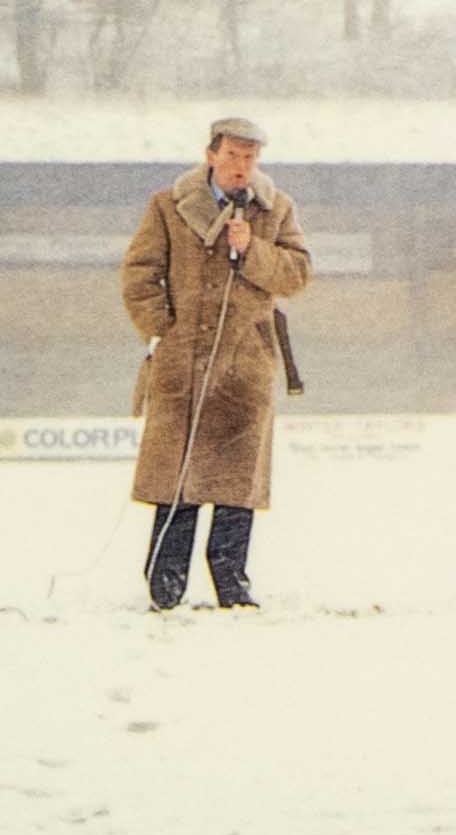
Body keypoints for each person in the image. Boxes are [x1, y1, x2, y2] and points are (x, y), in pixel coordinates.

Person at [120, 117, 312, 611]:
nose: (241, 167)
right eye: (232, 155)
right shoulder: (167, 205)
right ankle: (165, 587)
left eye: (250, 158)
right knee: (176, 480)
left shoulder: (277, 209)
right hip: (181, 362)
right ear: (211, 155)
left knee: (236, 485)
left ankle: (232, 586)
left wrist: (253, 250)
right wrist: (163, 329)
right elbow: (141, 273)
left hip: (244, 368)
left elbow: (296, 274)